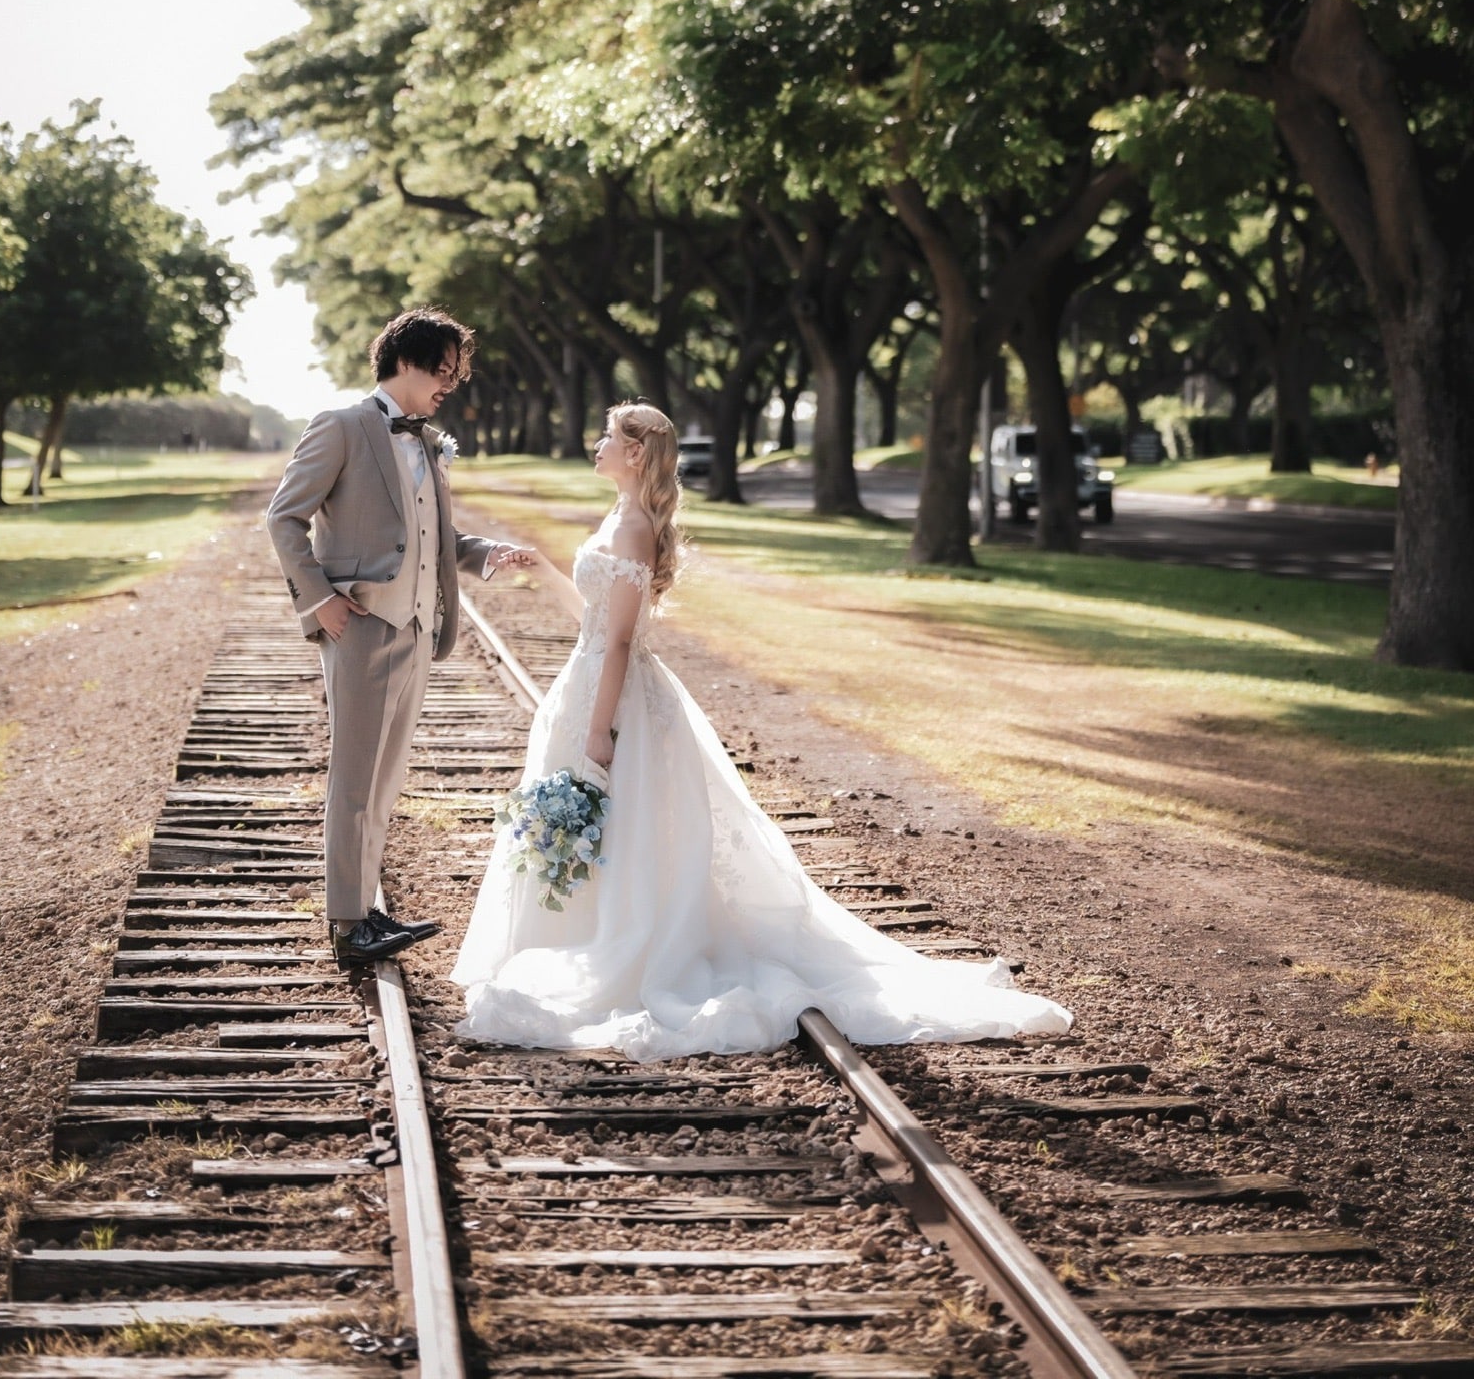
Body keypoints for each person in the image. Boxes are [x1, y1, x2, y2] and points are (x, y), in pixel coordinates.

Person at [453, 401, 1071, 1057]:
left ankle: (626, 947)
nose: (596, 444)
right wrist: (542, 572)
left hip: (612, 696)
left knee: (619, 820)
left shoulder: (634, 528)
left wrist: (600, 730)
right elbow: (595, 621)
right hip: (585, 685)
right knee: (605, 827)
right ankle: (577, 937)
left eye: (608, 437)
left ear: (635, 454)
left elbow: (620, 643)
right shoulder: (617, 516)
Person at [267, 307, 535, 966]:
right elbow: (283, 519)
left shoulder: (427, 442)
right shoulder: (343, 426)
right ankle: (347, 924)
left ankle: (364, 909)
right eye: (446, 370)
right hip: (360, 625)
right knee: (354, 779)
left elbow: (433, 537)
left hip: (417, 629)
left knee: (384, 783)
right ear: (406, 363)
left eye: (460, 373)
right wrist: (319, 600)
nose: (454, 383)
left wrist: (484, 553)